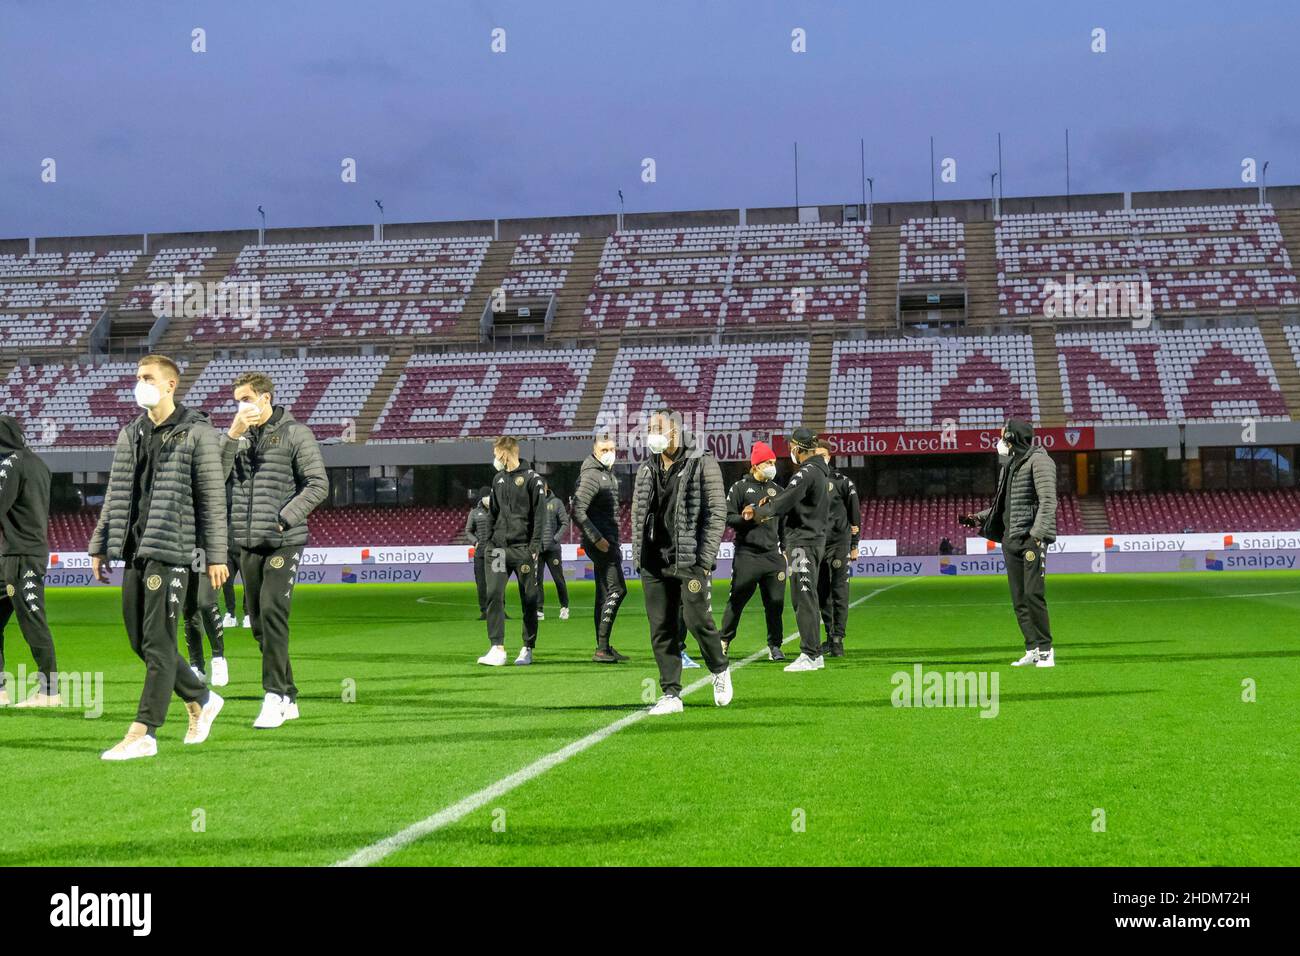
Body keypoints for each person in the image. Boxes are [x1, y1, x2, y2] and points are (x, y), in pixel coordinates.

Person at [89, 354, 228, 760]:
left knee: (159, 640)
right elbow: (115, 492)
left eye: (147, 377)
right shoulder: (130, 432)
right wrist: (101, 542)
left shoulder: (197, 433)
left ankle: (143, 732)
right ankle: (201, 696)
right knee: (141, 641)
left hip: (172, 548)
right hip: (134, 548)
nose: (139, 383)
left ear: (170, 385)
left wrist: (216, 554)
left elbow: (211, 498)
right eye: (137, 377)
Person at [221, 370, 328, 728]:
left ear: (265, 398)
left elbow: (317, 484)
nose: (241, 406)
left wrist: (284, 519)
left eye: (246, 399)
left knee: (271, 611)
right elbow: (213, 477)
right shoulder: (238, 438)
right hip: (247, 542)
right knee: (258, 625)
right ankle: (290, 694)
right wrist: (232, 434)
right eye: (237, 400)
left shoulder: (297, 433)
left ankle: (273, 696)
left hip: (285, 539)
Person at [631, 409, 732, 713]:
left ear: (675, 431)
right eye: (649, 428)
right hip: (653, 559)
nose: (652, 434)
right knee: (661, 627)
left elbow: (717, 513)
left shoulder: (703, 461)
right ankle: (671, 693)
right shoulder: (647, 467)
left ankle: (719, 669)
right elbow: (639, 514)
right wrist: (639, 557)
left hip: (689, 559)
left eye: (657, 428)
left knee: (697, 620)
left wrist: (704, 560)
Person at [960, 418, 1059, 667]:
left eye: (1003, 435)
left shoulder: (1040, 461)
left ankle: (1046, 650)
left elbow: (1049, 501)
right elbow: (1001, 505)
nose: (1000, 440)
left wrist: (1036, 535)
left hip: (1030, 539)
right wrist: (977, 518)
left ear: (1013, 437)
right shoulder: (1010, 465)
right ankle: (1032, 648)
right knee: (1019, 598)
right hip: (1010, 539)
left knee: (1033, 594)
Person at [747, 427, 829, 673]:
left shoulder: (806, 472)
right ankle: (814, 652)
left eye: (792, 446)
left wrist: (759, 512)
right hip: (811, 540)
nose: (789, 450)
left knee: (802, 598)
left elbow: (786, 501)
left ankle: (810, 654)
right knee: (808, 597)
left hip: (802, 542)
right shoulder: (819, 472)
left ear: (799, 449)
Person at [0, 415, 59, 708]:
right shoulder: (39, 463)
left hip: (20, 556)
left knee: (33, 621)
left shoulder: (11, 463)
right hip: (22, 552)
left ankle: (49, 692)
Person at [478, 437, 544, 666]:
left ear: (504, 454)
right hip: (497, 551)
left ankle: (527, 648)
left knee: (529, 599)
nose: (495, 459)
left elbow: (540, 517)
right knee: (494, 594)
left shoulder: (533, 480)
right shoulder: (497, 480)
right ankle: (497, 648)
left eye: (496, 454)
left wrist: (534, 548)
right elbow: (492, 513)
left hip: (522, 551)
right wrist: (488, 542)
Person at [719, 440, 787, 662]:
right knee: (736, 600)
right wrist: (746, 518)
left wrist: (785, 549)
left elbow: (785, 523)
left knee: (775, 604)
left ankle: (775, 646)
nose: (772, 466)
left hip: (772, 556)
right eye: (768, 462)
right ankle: (724, 641)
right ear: (756, 465)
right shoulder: (739, 488)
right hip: (747, 555)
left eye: (774, 462)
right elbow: (728, 517)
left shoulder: (778, 490)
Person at [572, 434, 628, 663]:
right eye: (604, 449)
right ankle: (601, 648)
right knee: (617, 590)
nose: (609, 453)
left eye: (612, 448)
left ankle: (603, 646)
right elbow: (577, 510)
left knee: (604, 594)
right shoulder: (592, 476)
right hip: (601, 543)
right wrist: (596, 538)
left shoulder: (606, 475)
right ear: (595, 451)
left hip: (607, 540)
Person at [815, 440, 859, 657]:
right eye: (816, 454)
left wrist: (854, 544)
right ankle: (828, 636)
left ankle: (838, 639)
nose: (820, 458)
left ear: (829, 457)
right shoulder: (809, 481)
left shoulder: (842, 482)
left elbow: (855, 514)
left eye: (823, 454)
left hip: (839, 543)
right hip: (816, 543)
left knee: (839, 590)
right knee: (821, 591)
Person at [182, 568, 228, 686]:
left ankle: (218, 658)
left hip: (210, 557)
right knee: (189, 609)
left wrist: (218, 559)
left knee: (207, 603)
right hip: (185, 557)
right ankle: (196, 666)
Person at [536, 481, 571, 621]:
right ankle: (539, 610)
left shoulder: (556, 502)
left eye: (541, 487)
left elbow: (564, 522)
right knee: (537, 580)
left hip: (553, 549)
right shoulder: (533, 503)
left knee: (558, 579)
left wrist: (555, 538)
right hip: (537, 549)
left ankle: (564, 607)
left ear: (546, 487)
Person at [221, 478, 247, 628]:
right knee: (226, 583)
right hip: (228, 549)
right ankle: (230, 614)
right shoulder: (225, 505)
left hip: (243, 547)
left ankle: (248, 614)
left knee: (248, 584)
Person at [464, 486, 492, 620]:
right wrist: (475, 542)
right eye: (487, 496)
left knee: (498, 583)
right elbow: (468, 530)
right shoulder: (474, 513)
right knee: (481, 583)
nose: (489, 498)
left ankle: (500, 609)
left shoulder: (499, 511)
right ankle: (484, 610)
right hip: (480, 552)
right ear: (482, 498)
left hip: (497, 552)